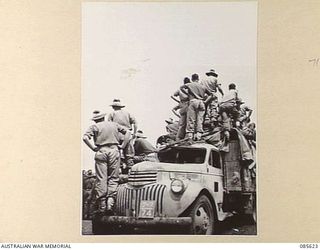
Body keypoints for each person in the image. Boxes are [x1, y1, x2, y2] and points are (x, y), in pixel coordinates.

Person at [83, 110, 130, 214]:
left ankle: (102, 205)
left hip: (101, 151)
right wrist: (122, 146)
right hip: (114, 150)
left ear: (95, 120)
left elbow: (85, 137)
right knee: (114, 177)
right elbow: (128, 132)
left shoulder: (94, 127)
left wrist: (92, 148)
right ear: (103, 118)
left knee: (101, 178)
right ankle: (110, 202)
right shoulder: (114, 124)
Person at [108, 99, 137, 168]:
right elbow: (135, 123)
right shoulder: (128, 113)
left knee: (117, 154)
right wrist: (135, 133)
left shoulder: (112, 114)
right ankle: (130, 171)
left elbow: (109, 126)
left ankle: (119, 171)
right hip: (128, 134)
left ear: (113, 107)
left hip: (117, 134)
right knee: (129, 155)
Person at [181, 73, 211, 140]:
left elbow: (181, 88)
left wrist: (188, 93)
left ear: (192, 79)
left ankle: (190, 136)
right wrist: (205, 101)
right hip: (201, 102)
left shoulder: (190, 84)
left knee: (191, 119)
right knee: (200, 119)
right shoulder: (203, 86)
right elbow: (211, 95)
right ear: (198, 79)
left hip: (193, 101)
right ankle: (198, 135)